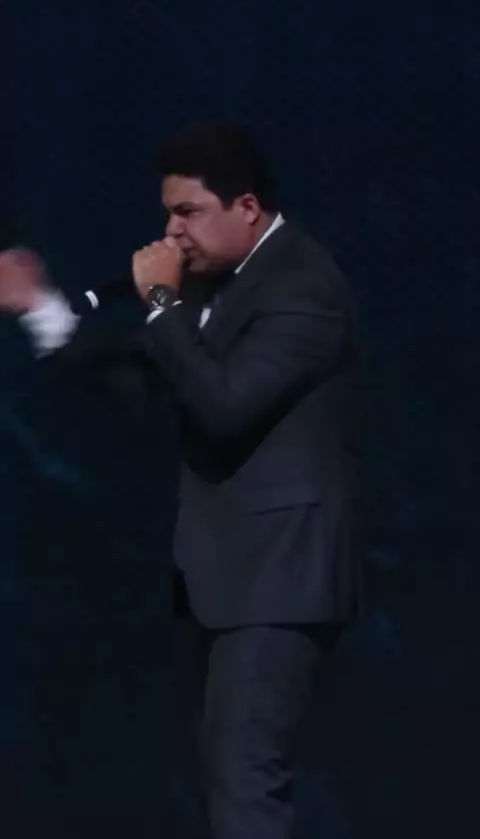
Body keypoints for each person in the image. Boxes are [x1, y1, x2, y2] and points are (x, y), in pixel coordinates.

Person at [0, 122, 364, 839]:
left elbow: (224, 407)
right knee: (229, 773)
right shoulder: (216, 286)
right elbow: (144, 386)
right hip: (222, 575)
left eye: (188, 212)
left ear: (247, 208)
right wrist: (40, 306)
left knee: (246, 776)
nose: (172, 231)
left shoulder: (304, 289)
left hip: (281, 576)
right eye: (169, 213)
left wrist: (163, 302)